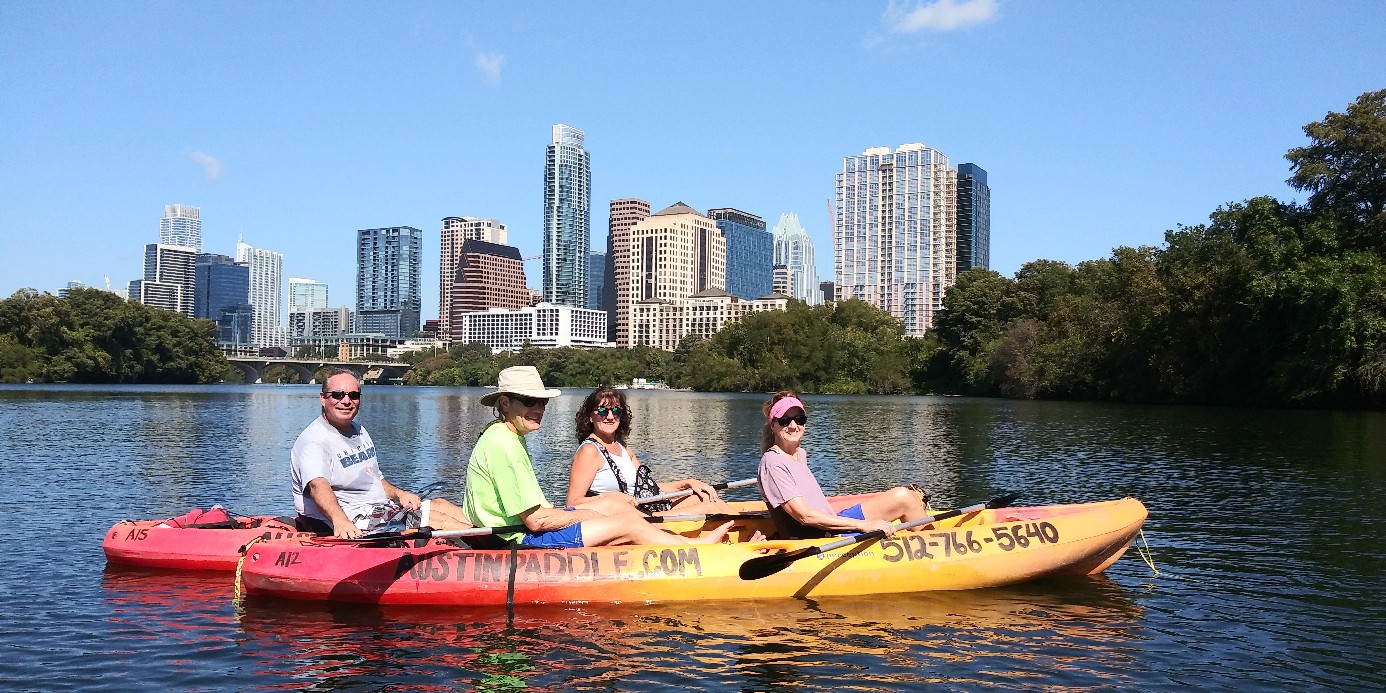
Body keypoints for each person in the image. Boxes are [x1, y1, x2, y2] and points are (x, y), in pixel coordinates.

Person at [461, 365, 734, 549]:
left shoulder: (502, 436)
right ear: (505, 403)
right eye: (530, 401)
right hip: (521, 540)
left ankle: (662, 539)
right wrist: (587, 515)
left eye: (542, 402)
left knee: (616, 509)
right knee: (625, 520)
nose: (539, 409)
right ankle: (694, 548)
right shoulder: (505, 446)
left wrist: (684, 483)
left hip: (522, 528)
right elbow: (536, 522)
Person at [291, 369, 472, 538]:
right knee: (435, 520)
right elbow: (317, 487)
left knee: (441, 504)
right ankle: (489, 549)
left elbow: (374, 479)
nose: (346, 401)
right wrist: (341, 521)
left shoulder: (359, 431)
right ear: (323, 398)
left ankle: (493, 542)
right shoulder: (315, 441)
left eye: (353, 395)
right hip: (352, 518)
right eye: (338, 395)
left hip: (379, 509)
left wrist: (401, 494)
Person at [757, 391, 931, 540]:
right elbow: (804, 516)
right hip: (821, 537)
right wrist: (864, 525)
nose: (793, 426)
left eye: (799, 419)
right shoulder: (773, 464)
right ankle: (942, 550)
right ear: (773, 424)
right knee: (904, 498)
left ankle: (938, 543)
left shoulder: (799, 454)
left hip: (832, 522)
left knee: (904, 496)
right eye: (785, 420)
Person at [565, 386, 732, 515]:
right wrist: (609, 498)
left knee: (705, 498)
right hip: (624, 519)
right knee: (711, 507)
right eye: (602, 411)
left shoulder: (623, 448)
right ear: (590, 416)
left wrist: (687, 483)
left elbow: (648, 488)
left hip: (643, 511)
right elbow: (573, 503)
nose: (610, 416)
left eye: (615, 411)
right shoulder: (589, 451)